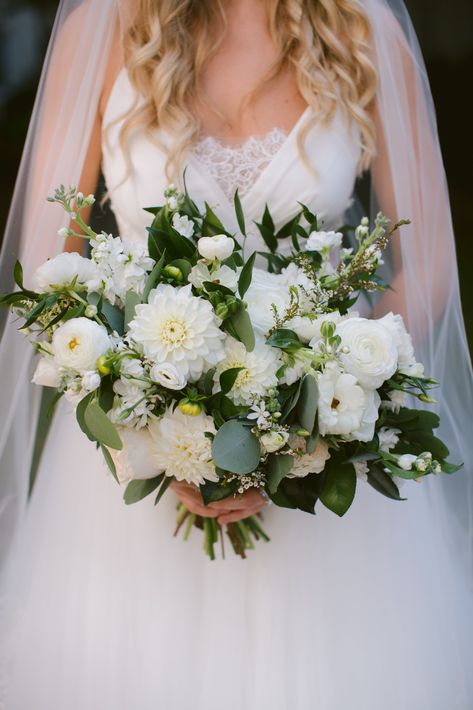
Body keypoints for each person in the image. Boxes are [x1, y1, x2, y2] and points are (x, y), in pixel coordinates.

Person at [0, 1, 472, 708]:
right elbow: (46, 261)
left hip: (324, 462)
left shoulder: (360, 32)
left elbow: (429, 255)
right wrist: (158, 430)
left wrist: (312, 417)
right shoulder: (102, 29)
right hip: (130, 473)